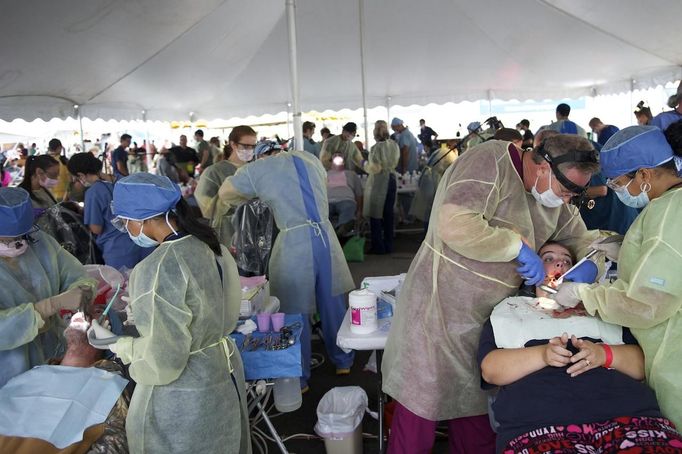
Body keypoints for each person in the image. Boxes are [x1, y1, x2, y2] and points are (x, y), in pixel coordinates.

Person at [382, 135, 601, 453]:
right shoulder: (490, 161)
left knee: (473, 405)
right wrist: (516, 248)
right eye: (565, 190)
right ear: (541, 166)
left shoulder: (555, 199)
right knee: (421, 406)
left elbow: (579, 236)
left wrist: (589, 264)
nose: (567, 200)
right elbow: (455, 223)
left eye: (574, 194)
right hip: (439, 306)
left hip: (490, 315)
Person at [87, 173, 250, 453]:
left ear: (143, 219)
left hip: (184, 393)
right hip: (221, 371)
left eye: (125, 221)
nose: (126, 228)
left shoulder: (157, 269)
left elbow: (163, 362)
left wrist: (121, 345)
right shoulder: (210, 246)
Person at [479, 242, 681, 453]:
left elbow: (644, 367)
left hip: (633, 419)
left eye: (567, 261)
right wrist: (543, 355)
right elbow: (491, 371)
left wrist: (604, 354)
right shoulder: (510, 311)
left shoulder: (602, 308)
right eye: (548, 258)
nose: (559, 263)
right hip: (541, 427)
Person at [552, 125, 682, 428]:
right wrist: (626, 250)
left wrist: (585, 295)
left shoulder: (667, 215)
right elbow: (666, 264)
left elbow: (648, 304)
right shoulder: (666, 206)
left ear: (645, 176)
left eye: (619, 183)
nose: (615, 190)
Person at [218, 148, 355, 390]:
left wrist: (256, 194)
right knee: (333, 301)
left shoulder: (259, 169)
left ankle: (299, 375)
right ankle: (344, 360)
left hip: (295, 242)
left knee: (294, 309)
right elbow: (322, 182)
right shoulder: (308, 158)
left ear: (261, 155)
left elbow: (226, 192)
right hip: (326, 237)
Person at [0, 187, 95, 387]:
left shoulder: (39, 241)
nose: (17, 244)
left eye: (22, 236)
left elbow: (75, 273)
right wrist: (47, 307)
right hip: (9, 370)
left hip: (53, 352)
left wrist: (82, 290)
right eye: (6, 239)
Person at [66, 152, 151, 270]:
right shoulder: (120, 181)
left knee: (123, 286)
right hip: (143, 242)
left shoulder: (93, 192)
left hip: (119, 251)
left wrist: (85, 214)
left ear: (80, 175)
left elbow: (96, 228)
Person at [195, 125, 257, 247]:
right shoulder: (214, 172)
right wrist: (229, 199)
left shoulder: (255, 169)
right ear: (233, 144)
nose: (250, 150)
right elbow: (207, 210)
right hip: (228, 234)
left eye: (253, 146)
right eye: (245, 146)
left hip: (256, 231)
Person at [364, 121, 400, 254]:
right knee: (388, 214)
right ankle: (389, 245)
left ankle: (378, 246)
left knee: (376, 214)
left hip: (380, 181)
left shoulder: (375, 148)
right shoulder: (394, 145)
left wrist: (364, 164)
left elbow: (375, 168)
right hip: (392, 179)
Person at [327, 153, 363, 236]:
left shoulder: (351, 174)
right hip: (328, 201)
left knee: (348, 208)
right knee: (323, 213)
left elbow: (359, 193)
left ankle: (342, 228)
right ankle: (331, 232)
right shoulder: (325, 174)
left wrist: (359, 211)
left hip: (346, 199)